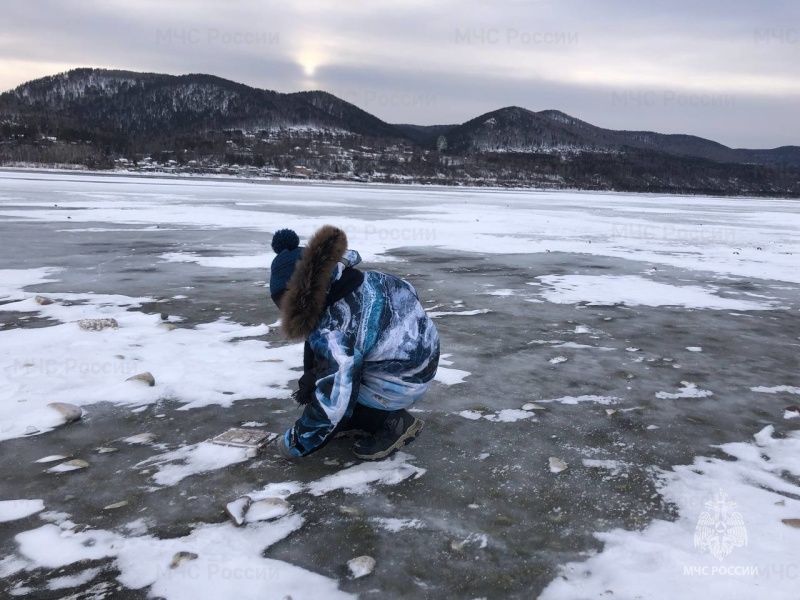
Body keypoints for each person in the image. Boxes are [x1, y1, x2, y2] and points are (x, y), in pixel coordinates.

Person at [269, 225, 440, 460]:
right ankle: (363, 413)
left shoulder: (334, 329)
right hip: (423, 357)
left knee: (338, 383)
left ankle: (391, 422)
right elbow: (409, 291)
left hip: (402, 382)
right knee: (342, 365)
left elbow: (334, 399)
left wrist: (294, 443)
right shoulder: (372, 278)